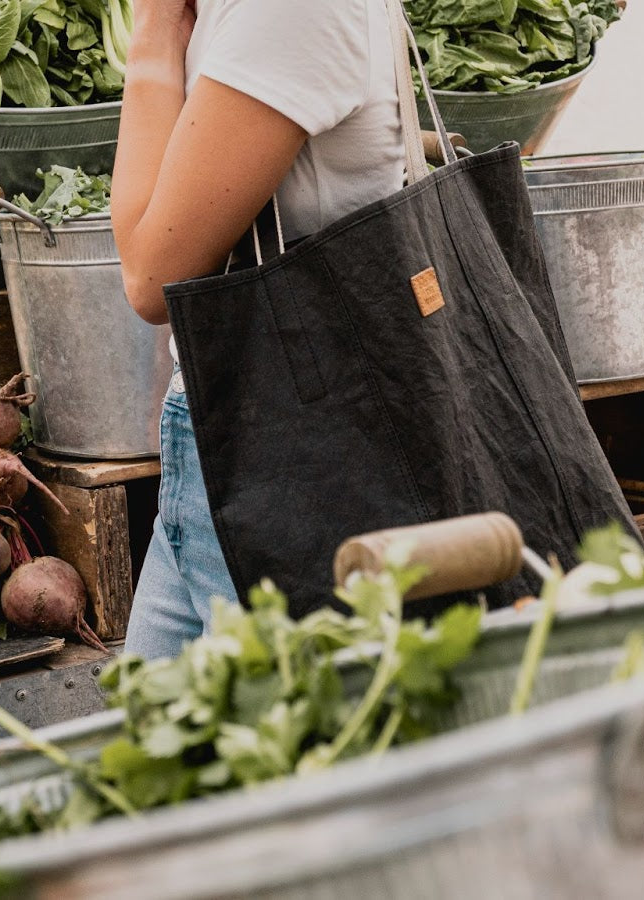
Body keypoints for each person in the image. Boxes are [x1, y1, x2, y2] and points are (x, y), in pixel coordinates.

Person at [113, 0, 413, 659]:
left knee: (263, 750)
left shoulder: (290, 8)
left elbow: (153, 276)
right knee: (145, 751)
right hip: (231, 441)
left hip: (296, 458)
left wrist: (154, 34)